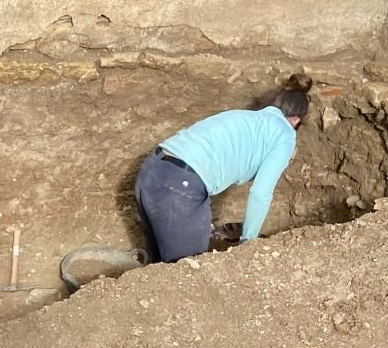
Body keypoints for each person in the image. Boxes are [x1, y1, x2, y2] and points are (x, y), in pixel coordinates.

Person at [134, 74, 312, 263]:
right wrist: (248, 242)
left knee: (158, 271)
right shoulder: (286, 134)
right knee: (185, 274)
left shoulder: (248, 118)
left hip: (151, 171)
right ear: (295, 120)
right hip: (179, 185)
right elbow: (261, 192)